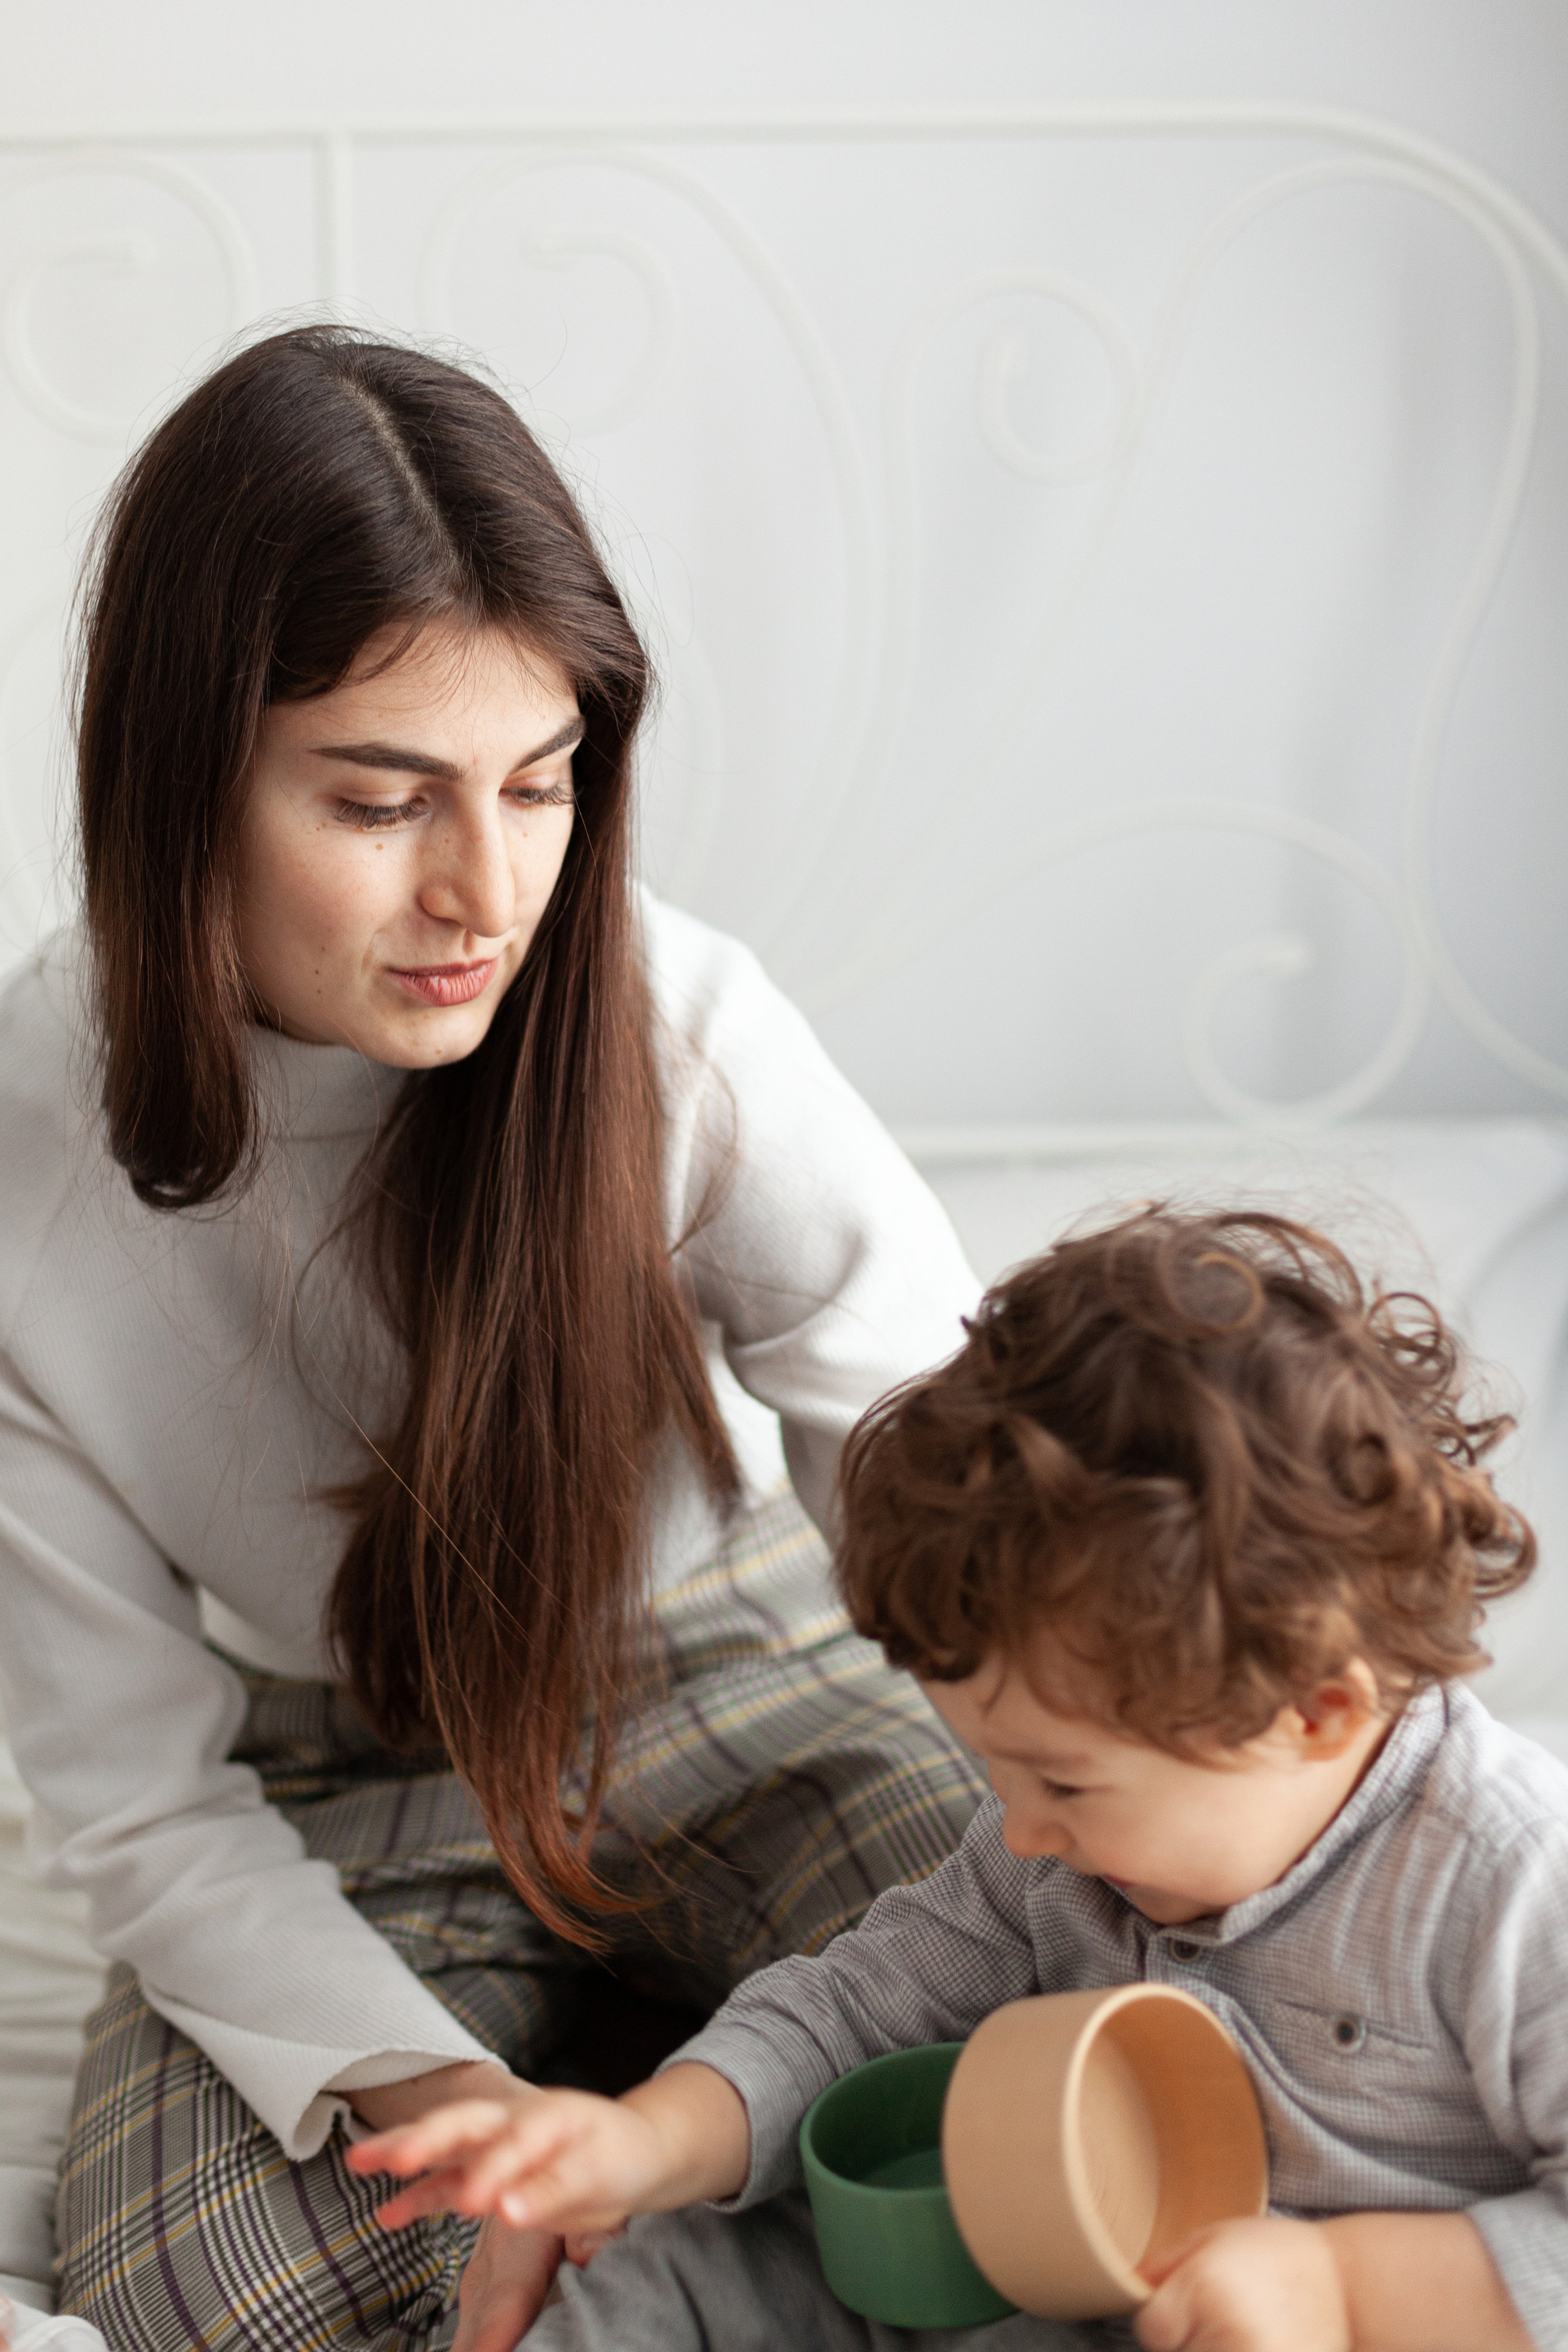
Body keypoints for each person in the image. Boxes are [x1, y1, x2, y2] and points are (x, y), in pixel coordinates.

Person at [0, 324, 990, 2352]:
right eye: (384, 802)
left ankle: (713, 2168)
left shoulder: (674, 1024)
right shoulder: (25, 1146)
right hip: (336, 1787)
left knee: (1056, 2089)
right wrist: (467, 2126)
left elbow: (951, 1485)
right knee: (214, 2293)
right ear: (179, 787)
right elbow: (143, 1804)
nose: (487, 892)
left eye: (540, 786)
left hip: (748, 1688)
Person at [352, 1207, 1566, 2352]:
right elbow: (852, 2009)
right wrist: (645, 2144)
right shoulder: (1050, 1859)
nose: (1019, 1830)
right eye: (995, 1770)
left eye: (1065, 1786)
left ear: (1313, 1711)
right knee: (686, 2253)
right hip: (1059, 2285)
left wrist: (1338, 2287)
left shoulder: (1509, 1881)